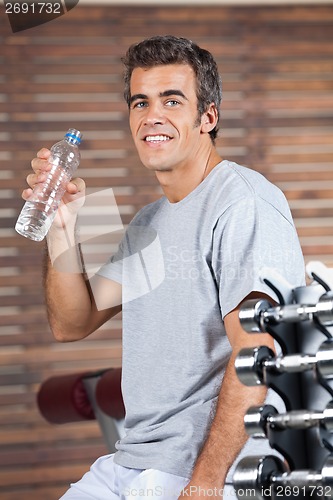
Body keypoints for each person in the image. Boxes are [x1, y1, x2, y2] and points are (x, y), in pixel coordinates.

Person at [23, 36, 305, 499]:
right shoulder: (146, 221)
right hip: (132, 459)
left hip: (201, 467)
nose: (152, 116)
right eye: (140, 102)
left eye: (171, 101)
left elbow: (257, 350)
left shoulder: (244, 200)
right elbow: (71, 323)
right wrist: (61, 227)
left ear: (207, 117)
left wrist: (205, 484)